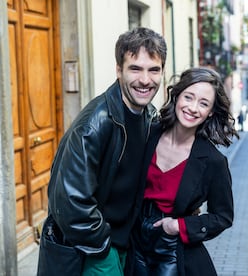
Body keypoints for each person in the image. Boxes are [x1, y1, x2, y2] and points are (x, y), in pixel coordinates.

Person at [37, 27, 167, 276]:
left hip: (124, 243)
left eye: (154, 70)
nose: (145, 80)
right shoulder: (94, 124)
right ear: (119, 70)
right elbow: (70, 201)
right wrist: (103, 246)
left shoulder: (148, 115)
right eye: (135, 69)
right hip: (95, 250)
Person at [131, 67, 239, 276]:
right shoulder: (148, 134)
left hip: (174, 251)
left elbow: (223, 216)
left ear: (210, 113)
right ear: (177, 96)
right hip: (135, 244)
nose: (193, 108)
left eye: (203, 103)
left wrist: (179, 226)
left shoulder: (213, 161)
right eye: (188, 97)